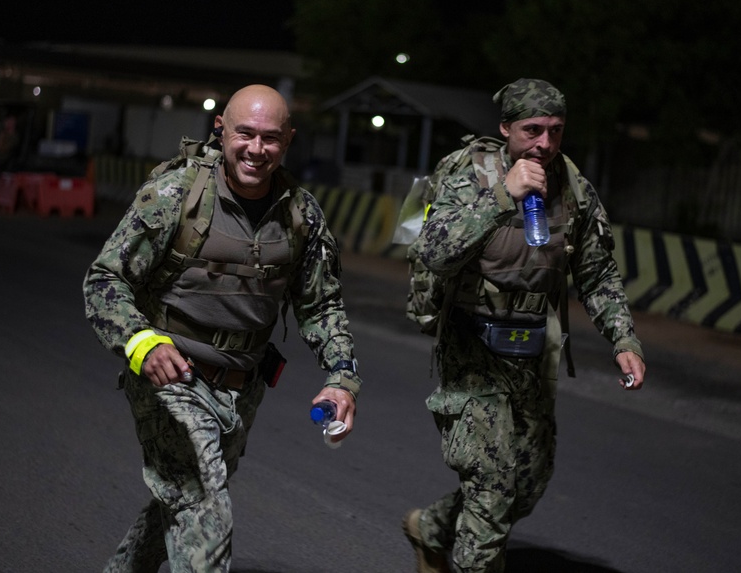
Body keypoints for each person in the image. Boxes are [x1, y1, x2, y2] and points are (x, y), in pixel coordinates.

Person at [82, 84, 362, 572]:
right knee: (203, 506)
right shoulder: (176, 195)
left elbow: (321, 305)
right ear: (221, 129)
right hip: (170, 377)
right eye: (245, 134)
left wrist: (341, 377)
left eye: (271, 138)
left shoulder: (302, 215)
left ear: (289, 139)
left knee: (184, 498)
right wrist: (141, 343)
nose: (257, 149)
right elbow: (105, 279)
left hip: (240, 388)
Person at [401, 78, 646, 573]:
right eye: (532, 130)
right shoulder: (467, 173)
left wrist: (623, 338)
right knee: (492, 488)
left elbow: (596, 272)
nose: (545, 143)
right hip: (472, 350)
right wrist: (500, 197)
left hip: (534, 354)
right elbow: (432, 251)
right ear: (505, 128)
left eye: (555, 131)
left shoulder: (573, 186)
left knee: (527, 483)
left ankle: (430, 528)